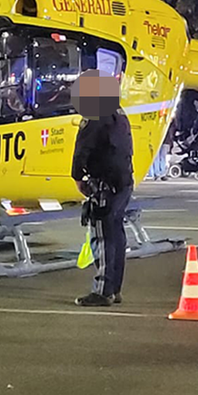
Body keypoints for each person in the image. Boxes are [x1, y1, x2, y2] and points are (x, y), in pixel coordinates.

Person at [71, 70, 135, 308]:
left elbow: (82, 150)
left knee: (102, 237)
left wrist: (78, 177)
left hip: (104, 185)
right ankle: (114, 288)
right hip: (123, 182)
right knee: (116, 234)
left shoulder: (94, 115)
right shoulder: (119, 114)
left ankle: (102, 291)